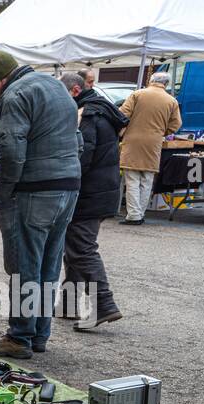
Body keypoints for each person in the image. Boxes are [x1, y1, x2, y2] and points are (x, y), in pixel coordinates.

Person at [0, 50, 82, 359]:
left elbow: (10, 147)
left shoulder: (16, 94)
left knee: (25, 264)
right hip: (67, 186)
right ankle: (38, 334)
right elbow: (77, 141)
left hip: (34, 189)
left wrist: (3, 189)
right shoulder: (55, 87)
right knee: (48, 264)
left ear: (0, 78)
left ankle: (19, 337)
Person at [60, 71, 127, 329]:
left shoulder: (87, 114)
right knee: (75, 246)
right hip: (101, 190)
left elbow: (81, 157)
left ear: (74, 92)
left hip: (89, 193)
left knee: (81, 248)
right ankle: (67, 304)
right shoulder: (102, 110)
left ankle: (104, 304)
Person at [118, 73, 181, 225]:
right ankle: (140, 213)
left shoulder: (137, 94)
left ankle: (133, 216)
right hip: (154, 142)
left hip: (133, 140)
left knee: (132, 179)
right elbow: (176, 125)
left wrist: (122, 131)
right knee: (147, 180)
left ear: (151, 81)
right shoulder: (171, 101)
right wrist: (160, 132)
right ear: (166, 84)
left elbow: (122, 115)